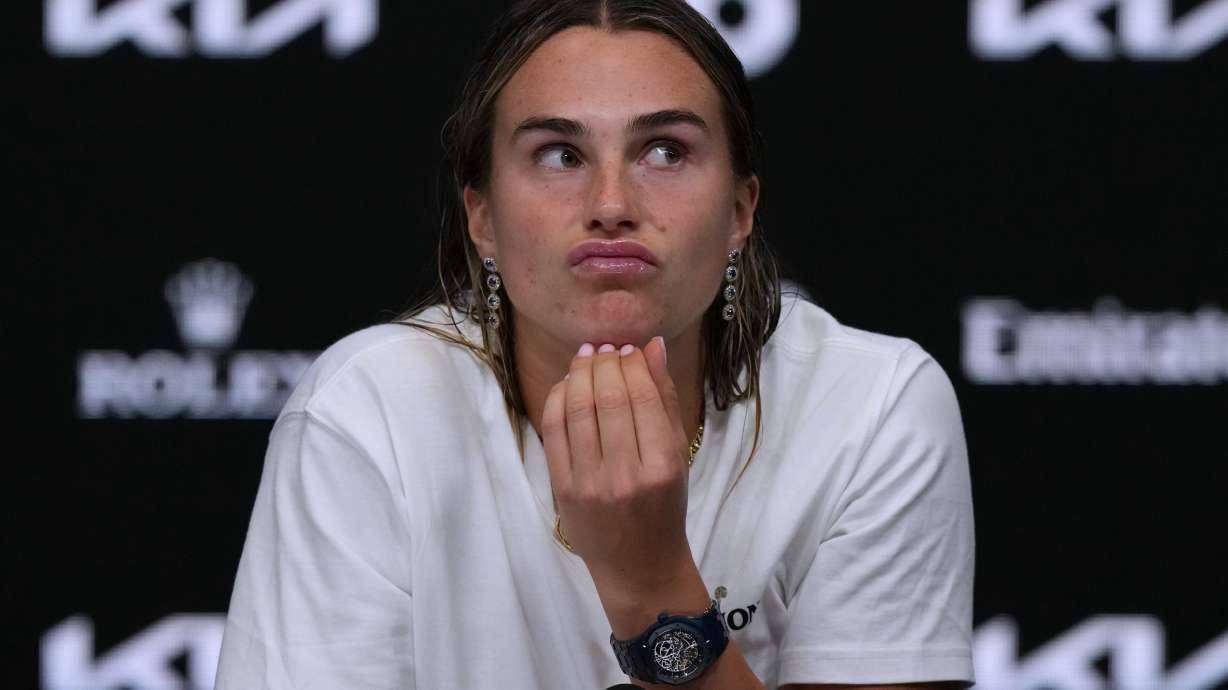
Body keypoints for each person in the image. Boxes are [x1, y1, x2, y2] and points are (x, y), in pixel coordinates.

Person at [214, 1, 976, 688]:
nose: (611, 205)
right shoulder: (364, 412)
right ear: (481, 214)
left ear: (741, 208)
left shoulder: (873, 407)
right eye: (559, 155)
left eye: (666, 151)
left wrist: (651, 587)